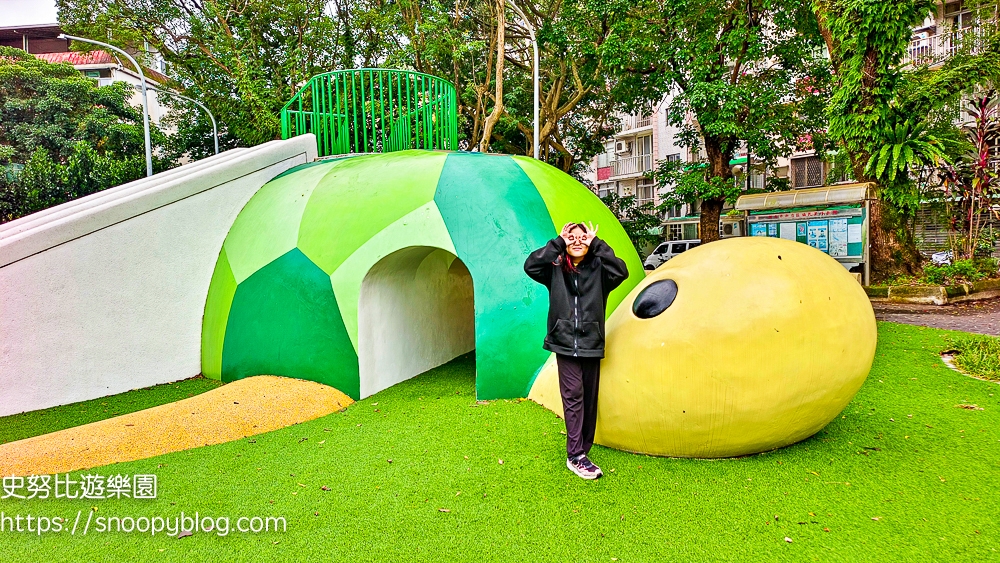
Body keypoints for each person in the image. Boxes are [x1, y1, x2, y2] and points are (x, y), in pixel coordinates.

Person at [523, 222, 629, 479]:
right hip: (564, 342)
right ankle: (575, 456)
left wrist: (598, 244)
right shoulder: (554, 269)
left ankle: (583, 450)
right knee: (573, 395)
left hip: (591, 342)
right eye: (572, 237)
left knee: (589, 400)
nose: (577, 241)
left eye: (583, 238)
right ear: (565, 242)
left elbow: (622, 271)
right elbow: (531, 265)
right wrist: (559, 242)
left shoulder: (600, 270)